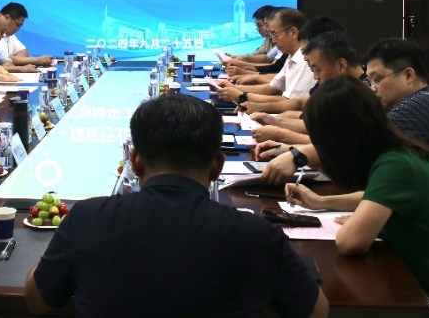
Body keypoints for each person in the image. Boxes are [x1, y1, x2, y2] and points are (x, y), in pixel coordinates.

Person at [24, 93, 328, 318]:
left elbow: (37, 302)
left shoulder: (86, 219)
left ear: (134, 162)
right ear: (217, 167)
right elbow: (317, 311)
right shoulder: (257, 234)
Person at [286, 77, 429, 318]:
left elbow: (350, 242)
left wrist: (360, 222)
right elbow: (376, 195)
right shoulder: (396, 149)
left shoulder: (396, 164)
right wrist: (321, 202)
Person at [257, 38, 429, 225]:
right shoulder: (418, 101)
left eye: (378, 79)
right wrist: (292, 151)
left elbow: (353, 146)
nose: (373, 88)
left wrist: (296, 155)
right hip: (417, 209)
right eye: (370, 80)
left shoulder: (421, 105)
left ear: (408, 75)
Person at [246, 31, 367, 145]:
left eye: (317, 69)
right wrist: (276, 122)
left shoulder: (365, 97)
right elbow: (321, 127)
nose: (315, 77)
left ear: (341, 65)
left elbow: (336, 146)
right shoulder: (345, 88)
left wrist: (280, 135)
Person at [216, 9, 314, 103]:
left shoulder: (305, 60)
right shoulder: (291, 56)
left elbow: (291, 102)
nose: (273, 40)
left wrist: (242, 96)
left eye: (274, 34)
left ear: (293, 33)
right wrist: (233, 88)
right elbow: (272, 87)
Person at [0, 2, 53, 67]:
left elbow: (24, 51)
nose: (18, 29)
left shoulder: (10, 35)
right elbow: (3, 59)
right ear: (7, 17)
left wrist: (13, 63)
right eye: (18, 25)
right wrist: (37, 60)